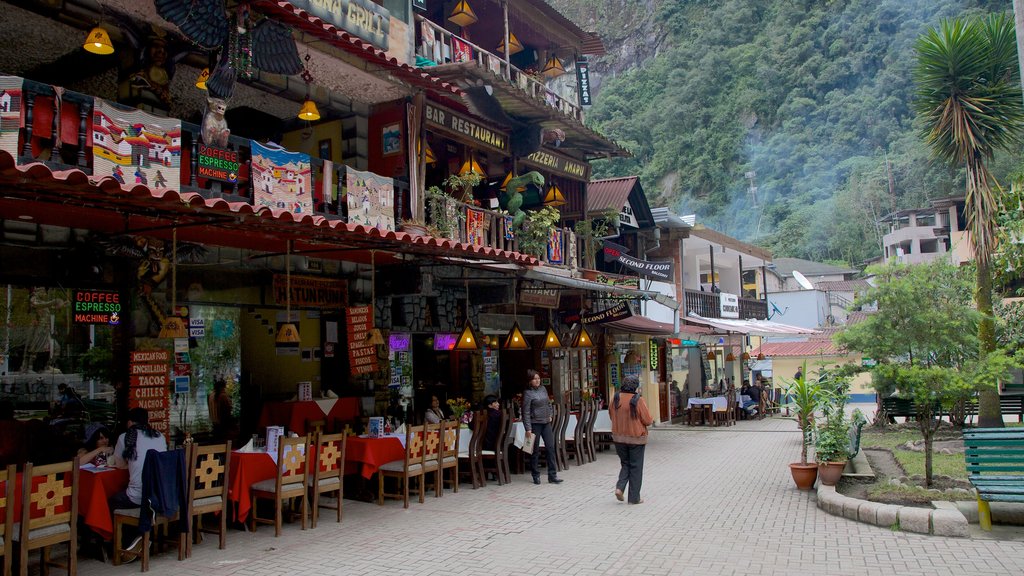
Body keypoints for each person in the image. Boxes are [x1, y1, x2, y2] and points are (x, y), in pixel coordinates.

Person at [108, 407, 167, 559]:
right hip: (159, 495)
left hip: (138, 496)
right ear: (147, 421)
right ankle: (140, 537)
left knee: (112, 501)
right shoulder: (160, 436)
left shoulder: (124, 437)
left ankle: (128, 541)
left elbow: (120, 465)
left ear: (129, 422)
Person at [610, 375, 654, 504]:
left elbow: (611, 415)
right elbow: (648, 420)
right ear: (635, 386)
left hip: (619, 438)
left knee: (625, 463)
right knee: (635, 467)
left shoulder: (616, 398)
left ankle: (620, 487)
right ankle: (634, 498)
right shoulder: (638, 400)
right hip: (636, 438)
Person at [522, 369, 562, 485]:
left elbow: (549, 403)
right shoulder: (528, 393)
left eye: (538, 378)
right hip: (535, 424)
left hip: (546, 423)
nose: (537, 380)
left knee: (551, 447)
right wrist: (528, 428)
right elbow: (525, 412)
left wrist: (550, 414)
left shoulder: (543, 389)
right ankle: (535, 475)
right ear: (530, 381)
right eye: (535, 379)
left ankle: (552, 475)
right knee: (534, 450)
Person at [208, 378, 237, 442]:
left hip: (214, 424)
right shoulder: (223, 396)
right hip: (223, 425)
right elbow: (228, 409)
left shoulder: (211, 395)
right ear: (223, 387)